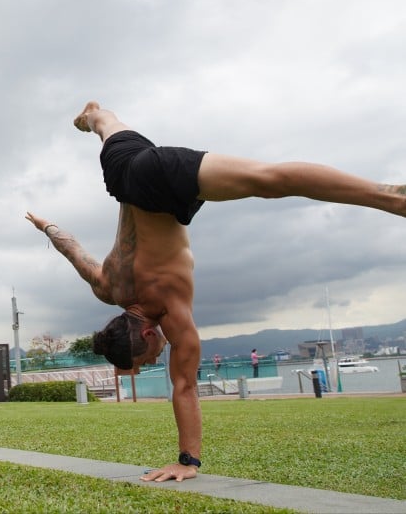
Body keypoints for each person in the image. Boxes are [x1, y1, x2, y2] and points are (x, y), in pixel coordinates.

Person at [26, 101, 405, 483]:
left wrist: (187, 461)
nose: (155, 361)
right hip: (126, 173)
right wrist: (46, 226)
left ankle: (390, 196)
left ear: (145, 335)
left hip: (161, 184)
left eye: (145, 361)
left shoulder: (171, 312)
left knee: (268, 181)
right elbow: (72, 248)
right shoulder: (107, 287)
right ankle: (93, 116)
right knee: (109, 123)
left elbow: (184, 387)